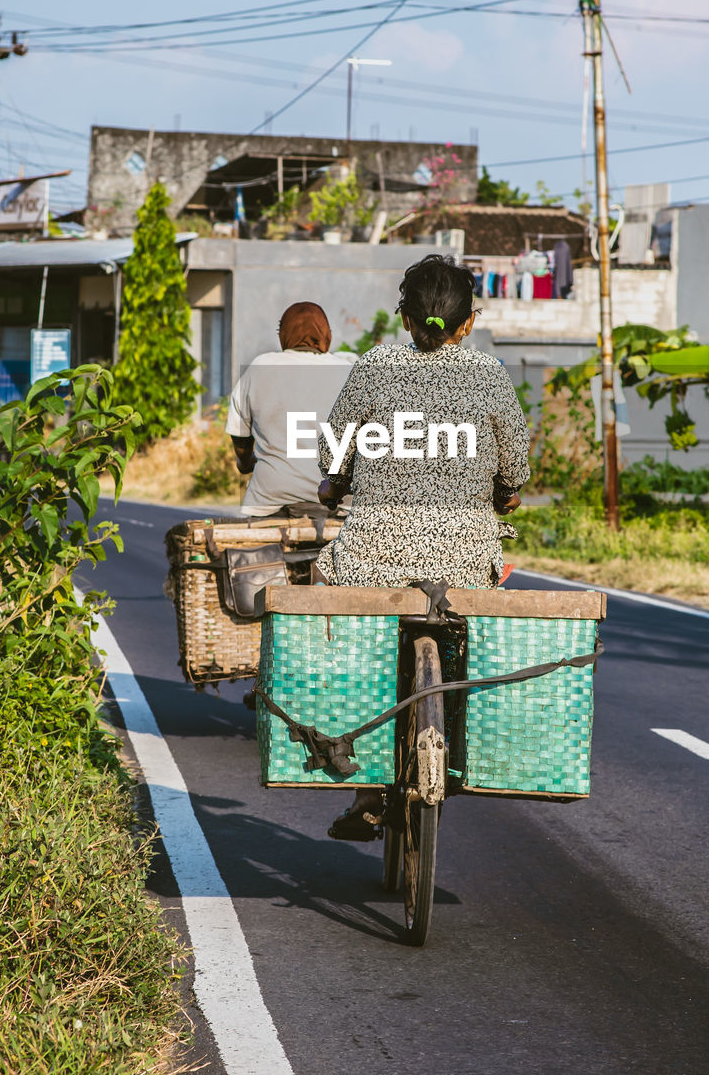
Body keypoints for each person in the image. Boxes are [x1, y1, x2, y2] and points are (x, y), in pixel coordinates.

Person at [314, 254, 531, 839]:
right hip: (462, 562)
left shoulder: (375, 365)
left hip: (372, 558)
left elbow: (332, 454)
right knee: (466, 647)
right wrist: (505, 493)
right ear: (468, 322)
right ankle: (460, 746)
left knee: (357, 647)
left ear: (405, 318)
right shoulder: (489, 375)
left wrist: (335, 480)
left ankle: (357, 772)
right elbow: (516, 468)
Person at [225, 302, 355, 518]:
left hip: (268, 500)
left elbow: (240, 436)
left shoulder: (260, 367)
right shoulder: (348, 370)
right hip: (339, 504)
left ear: (283, 334)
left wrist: (245, 463)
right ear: (326, 335)